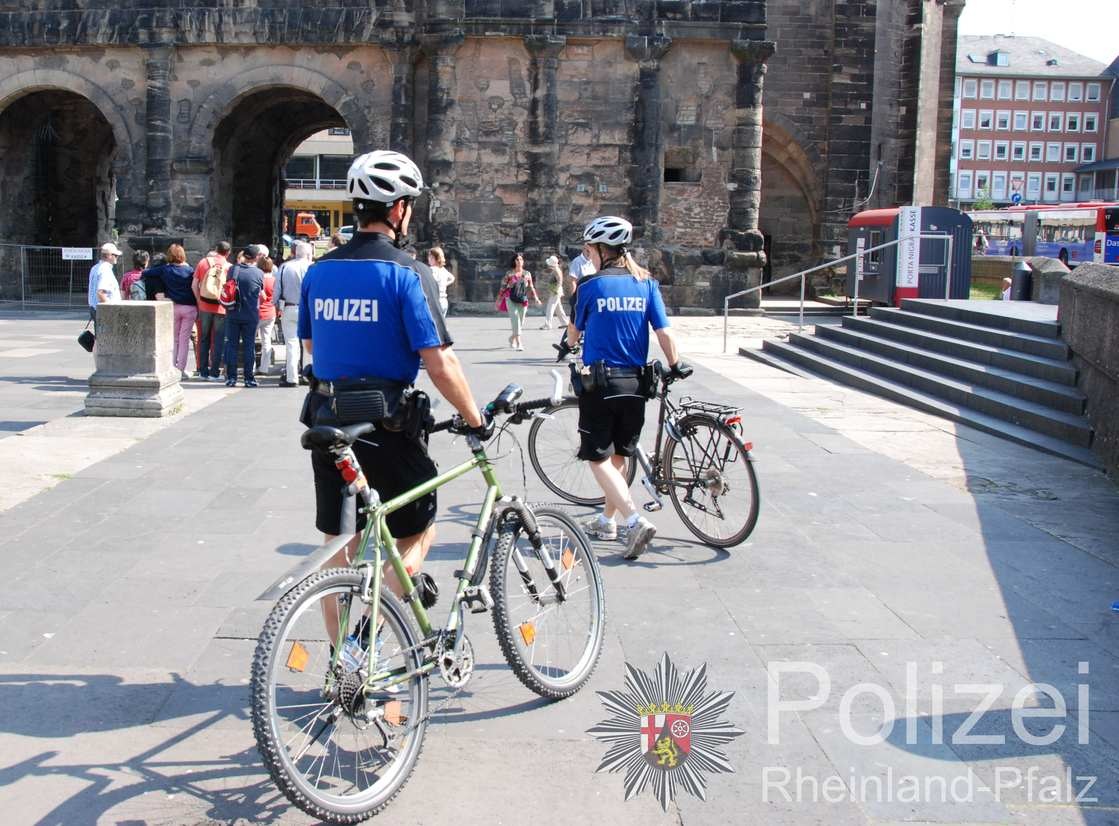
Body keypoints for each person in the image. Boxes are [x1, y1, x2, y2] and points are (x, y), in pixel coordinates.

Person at [299, 149, 486, 643]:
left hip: (329, 419)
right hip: (386, 425)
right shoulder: (408, 272)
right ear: (400, 209)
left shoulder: (319, 271)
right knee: (417, 530)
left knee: (341, 540)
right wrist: (474, 417)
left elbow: (313, 346)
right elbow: (439, 362)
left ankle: (341, 658)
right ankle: (371, 629)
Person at [565, 215, 690, 560]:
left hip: (601, 384)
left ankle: (634, 520)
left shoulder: (590, 287)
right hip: (636, 383)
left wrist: (567, 342)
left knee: (596, 457)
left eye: (590, 248)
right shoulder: (646, 283)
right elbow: (664, 333)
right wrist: (677, 365)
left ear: (602, 250)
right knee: (619, 455)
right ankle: (608, 519)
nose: (588, 254)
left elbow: (574, 333)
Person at [146, 244, 197, 380]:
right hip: (190, 307)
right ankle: (181, 369)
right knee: (184, 339)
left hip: (173, 307)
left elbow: (146, 273)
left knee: (174, 339)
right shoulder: (190, 270)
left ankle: (171, 366)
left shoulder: (164, 270)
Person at [222, 244, 265, 387]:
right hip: (251, 314)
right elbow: (262, 295)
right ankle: (248, 378)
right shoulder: (259, 273)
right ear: (256, 257)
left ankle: (231, 378)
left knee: (231, 346)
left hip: (233, 312)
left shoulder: (233, 269)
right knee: (249, 346)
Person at [274, 240, 313, 387]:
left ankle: (292, 377)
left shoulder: (284, 267)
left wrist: (276, 305)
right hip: (308, 308)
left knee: (291, 343)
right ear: (308, 253)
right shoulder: (312, 268)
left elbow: (277, 289)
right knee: (308, 342)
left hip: (289, 307)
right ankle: (307, 375)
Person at [192, 241, 232, 382]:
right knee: (218, 340)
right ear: (228, 253)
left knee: (204, 339)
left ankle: (203, 371)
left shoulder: (203, 262)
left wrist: (199, 301)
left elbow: (194, 285)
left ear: (216, 250)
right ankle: (214, 373)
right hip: (221, 308)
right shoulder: (229, 267)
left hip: (204, 306)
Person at [496, 252, 541, 350]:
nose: (519, 261)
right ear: (514, 261)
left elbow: (531, 287)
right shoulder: (509, 273)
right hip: (510, 298)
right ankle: (519, 343)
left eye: (521, 259)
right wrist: (498, 300)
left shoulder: (527, 274)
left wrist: (536, 298)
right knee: (515, 319)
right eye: (517, 260)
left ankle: (512, 338)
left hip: (523, 299)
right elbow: (503, 287)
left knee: (521, 322)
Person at [87, 242, 122, 330]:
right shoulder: (106, 270)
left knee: (98, 338)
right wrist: (109, 313)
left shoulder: (95, 267)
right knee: (107, 338)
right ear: (109, 255)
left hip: (94, 308)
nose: (117, 257)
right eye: (115, 255)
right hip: (103, 311)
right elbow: (101, 293)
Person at [257, 256, 277, 376]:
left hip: (257, 312)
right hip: (270, 312)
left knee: (250, 340)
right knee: (267, 341)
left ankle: (252, 366)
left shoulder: (258, 279)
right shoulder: (275, 280)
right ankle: (264, 367)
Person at [540, 254, 570, 330]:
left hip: (556, 291)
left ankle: (548, 324)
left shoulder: (556, 270)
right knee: (558, 308)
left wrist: (555, 290)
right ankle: (565, 322)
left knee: (550, 307)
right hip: (556, 291)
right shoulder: (556, 269)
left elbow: (560, 281)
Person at [426, 246, 455, 317]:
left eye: (430, 257)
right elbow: (452, 278)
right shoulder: (443, 269)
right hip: (444, 301)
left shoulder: (432, 269)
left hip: (435, 300)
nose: (428, 259)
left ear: (433, 258)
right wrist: (444, 284)